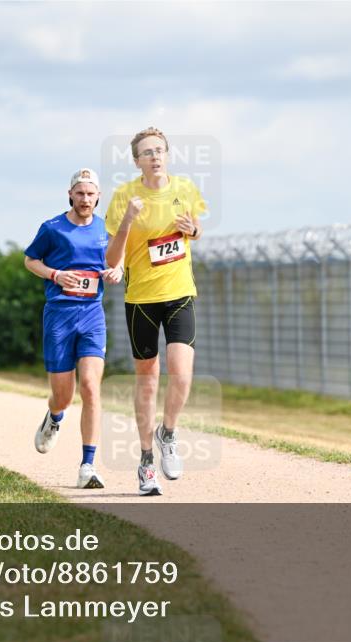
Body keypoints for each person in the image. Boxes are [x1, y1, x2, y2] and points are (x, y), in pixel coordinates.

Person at [105, 127, 207, 495]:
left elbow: (196, 230)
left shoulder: (185, 189)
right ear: (137, 161)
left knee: (181, 374)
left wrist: (192, 230)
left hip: (179, 293)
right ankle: (147, 461)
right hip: (141, 299)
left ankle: (169, 433)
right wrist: (128, 219)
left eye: (159, 150)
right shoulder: (124, 196)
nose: (155, 157)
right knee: (147, 381)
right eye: (147, 152)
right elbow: (111, 258)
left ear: (167, 154)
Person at [24, 168, 123, 490]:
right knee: (63, 397)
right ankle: (54, 417)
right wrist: (55, 274)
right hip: (59, 315)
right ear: (70, 195)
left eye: (90, 194)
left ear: (98, 197)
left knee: (91, 387)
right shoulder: (52, 228)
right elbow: (30, 260)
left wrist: (117, 271)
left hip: (92, 314)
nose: (85, 199)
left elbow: (117, 260)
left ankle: (87, 466)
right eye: (79, 193)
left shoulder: (106, 229)